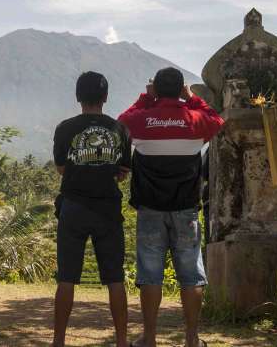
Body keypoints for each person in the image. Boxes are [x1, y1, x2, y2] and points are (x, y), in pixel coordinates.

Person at [118, 67, 224, 347]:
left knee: (150, 273)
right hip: (186, 209)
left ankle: (149, 339)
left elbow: (121, 123)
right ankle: (192, 339)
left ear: (156, 88)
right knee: (191, 274)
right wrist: (191, 98)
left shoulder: (141, 120)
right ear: (180, 90)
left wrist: (146, 98)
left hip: (150, 209)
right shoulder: (194, 119)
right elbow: (216, 119)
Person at [52, 71, 132, 347]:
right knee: (115, 279)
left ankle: (59, 340)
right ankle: (122, 341)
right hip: (107, 209)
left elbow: (62, 168)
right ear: (106, 97)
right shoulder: (119, 129)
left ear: (77, 97)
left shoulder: (64, 128)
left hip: (73, 207)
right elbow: (123, 171)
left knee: (66, 278)